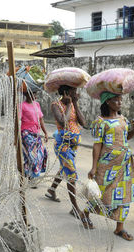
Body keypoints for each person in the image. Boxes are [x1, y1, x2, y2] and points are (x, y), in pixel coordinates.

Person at [85, 92, 134, 238]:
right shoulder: (100, 122)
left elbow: (126, 138)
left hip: (124, 164)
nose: (119, 102)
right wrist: (94, 167)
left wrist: (133, 131)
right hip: (107, 166)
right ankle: (85, 214)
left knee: (124, 195)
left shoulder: (123, 119)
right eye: (115, 100)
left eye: (120, 99)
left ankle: (119, 228)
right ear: (107, 103)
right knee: (100, 194)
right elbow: (97, 145)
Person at [44, 85, 87, 222]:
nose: (77, 93)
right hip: (62, 145)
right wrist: (68, 105)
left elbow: (83, 123)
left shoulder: (74, 104)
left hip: (73, 145)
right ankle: (74, 208)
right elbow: (63, 122)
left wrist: (74, 103)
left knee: (64, 169)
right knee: (71, 174)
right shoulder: (55, 105)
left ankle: (51, 190)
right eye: (74, 91)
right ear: (67, 92)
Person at [20, 89, 48, 184]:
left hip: (36, 133)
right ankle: (31, 177)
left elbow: (41, 119)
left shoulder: (37, 105)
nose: (34, 95)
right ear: (26, 95)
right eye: (32, 93)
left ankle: (25, 171)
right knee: (32, 155)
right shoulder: (22, 106)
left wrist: (45, 133)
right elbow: (17, 121)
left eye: (35, 93)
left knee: (42, 153)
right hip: (26, 133)